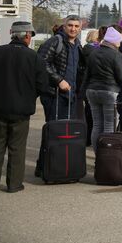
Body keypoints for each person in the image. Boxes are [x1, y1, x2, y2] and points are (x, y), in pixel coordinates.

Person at [0, 22, 47, 194]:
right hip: (22, 111)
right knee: (17, 148)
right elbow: (42, 85)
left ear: (12, 34)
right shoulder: (34, 58)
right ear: (27, 36)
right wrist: (29, 97)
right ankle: (14, 184)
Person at [35, 15, 85, 176]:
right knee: (52, 131)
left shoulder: (78, 45)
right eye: (70, 25)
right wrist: (59, 80)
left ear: (80, 28)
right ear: (64, 26)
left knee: (63, 133)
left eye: (77, 26)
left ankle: (59, 166)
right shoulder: (55, 41)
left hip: (70, 96)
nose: (73, 29)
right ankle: (44, 168)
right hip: (54, 94)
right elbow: (41, 62)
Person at [83, 27, 122, 151]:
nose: (120, 42)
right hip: (109, 91)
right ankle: (107, 157)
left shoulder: (94, 52)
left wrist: (83, 92)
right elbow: (120, 75)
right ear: (113, 40)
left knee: (97, 125)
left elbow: (87, 74)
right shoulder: (115, 54)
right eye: (119, 39)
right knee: (109, 126)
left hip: (92, 91)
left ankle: (99, 156)